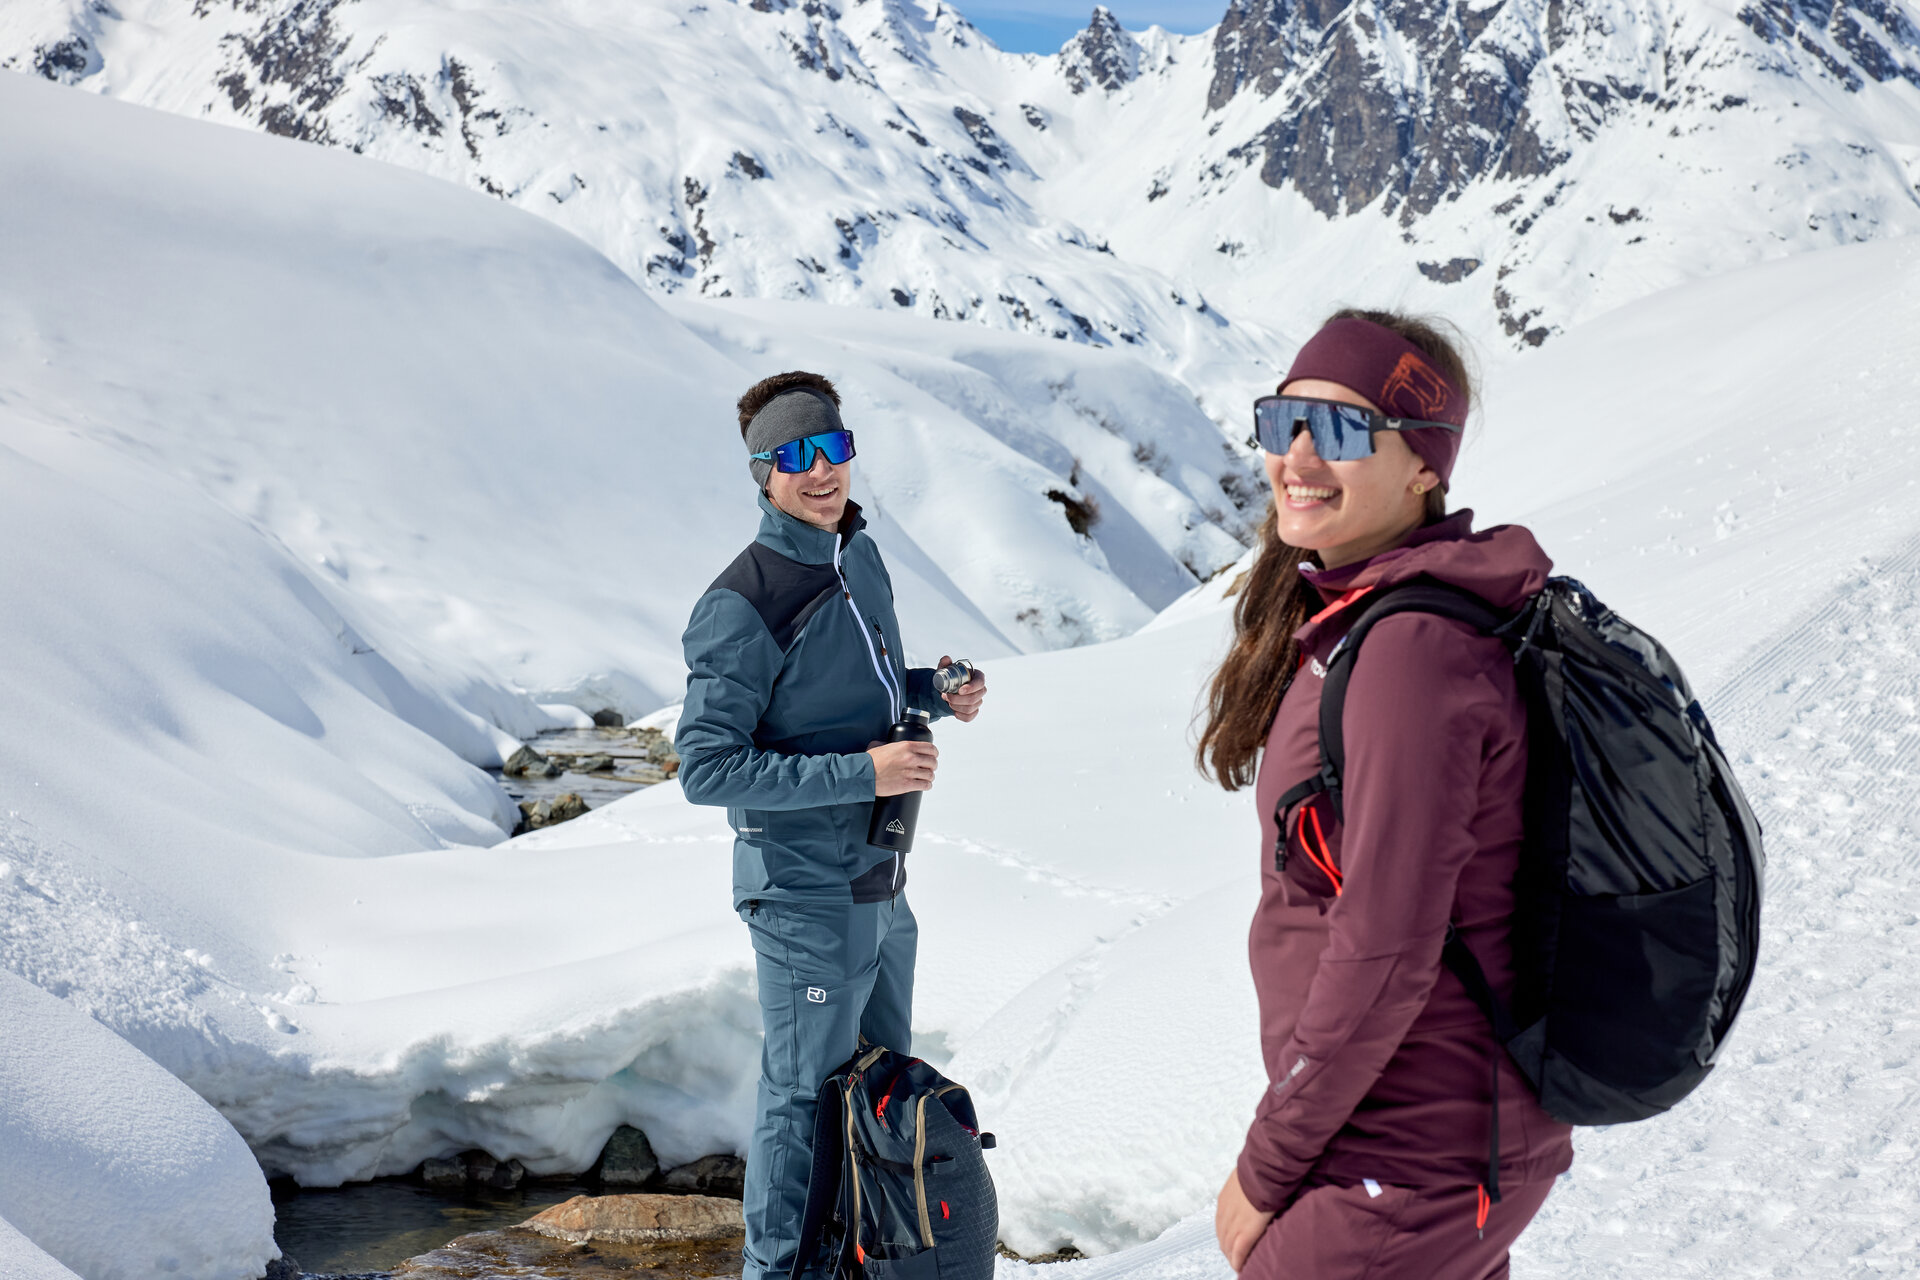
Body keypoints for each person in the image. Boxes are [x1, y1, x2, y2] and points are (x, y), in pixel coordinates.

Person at [1197, 312, 1574, 1280]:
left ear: (1422, 467)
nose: (1296, 455)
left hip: (1411, 1159)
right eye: (1283, 420)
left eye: (1340, 429)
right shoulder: (1363, 619)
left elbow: (1388, 944)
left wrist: (1265, 1167)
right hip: (1408, 1139)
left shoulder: (1411, 651)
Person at [675, 370, 988, 1280]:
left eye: (833, 447)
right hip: (804, 892)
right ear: (763, 473)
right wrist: (864, 772)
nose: (821, 471)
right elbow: (707, 767)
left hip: (880, 879)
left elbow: (862, 696)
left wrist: (936, 691)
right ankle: (774, 1272)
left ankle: (858, 1263)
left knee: (878, 1086)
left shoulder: (859, 559)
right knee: (801, 1099)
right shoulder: (743, 602)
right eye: (796, 456)